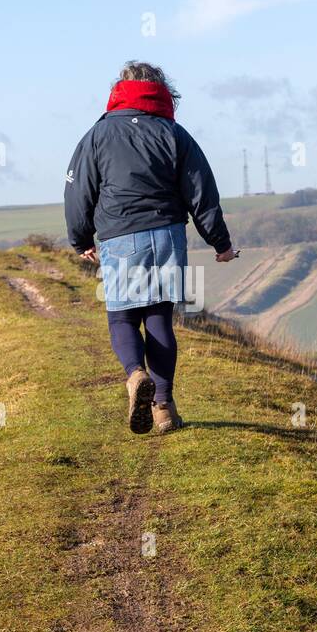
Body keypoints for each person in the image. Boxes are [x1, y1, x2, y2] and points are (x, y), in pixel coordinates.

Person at [64, 61, 238, 434]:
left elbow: (78, 189)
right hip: (167, 235)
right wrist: (220, 243)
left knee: (122, 317)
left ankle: (135, 374)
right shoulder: (174, 133)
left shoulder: (97, 135)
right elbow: (201, 192)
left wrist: (81, 238)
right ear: (161, 91)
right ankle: (162, 408)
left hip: (120, 236)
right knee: (159, 319)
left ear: (120, 90)